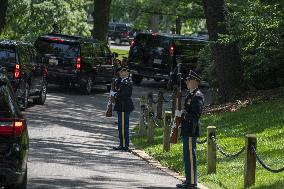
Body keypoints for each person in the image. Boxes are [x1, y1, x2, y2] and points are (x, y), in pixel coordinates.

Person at [175, 70, 205, 189]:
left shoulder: (197, 96)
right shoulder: (190, 94)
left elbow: (195, 116)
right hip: (187, 129)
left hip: (191, 129)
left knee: (191, 156)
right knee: (187, 156)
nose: (186, 82)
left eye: (188, 80)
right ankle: (188, 180)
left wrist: (182, 115)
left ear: (194, 81)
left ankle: (192, 182)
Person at [110, 66, 134, 151]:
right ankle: (121, 144)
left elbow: (124, 95)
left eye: (123, 72)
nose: (121, 74)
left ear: (126, 74)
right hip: (121, 106)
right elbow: (118, 85)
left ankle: (125, 145)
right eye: (120, 72)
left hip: (124, 106)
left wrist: (115, 94)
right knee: (120, 127)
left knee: (123, 127)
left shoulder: (127, 82)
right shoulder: (121, 81)